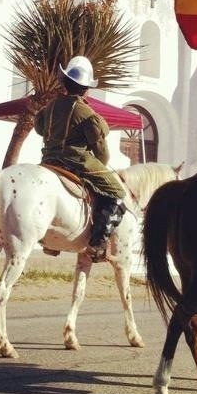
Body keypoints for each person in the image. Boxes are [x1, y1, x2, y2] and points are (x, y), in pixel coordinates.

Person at [34, 56, 126, 262]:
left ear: (65, 82)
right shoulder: (86, 112)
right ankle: (97, 245)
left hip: (48, 159)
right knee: (117, 192)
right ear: (85, 89)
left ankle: (51, 243)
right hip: (75, 161)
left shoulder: (49, 107)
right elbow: (101, 151)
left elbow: (40, 129)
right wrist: (100, 164)